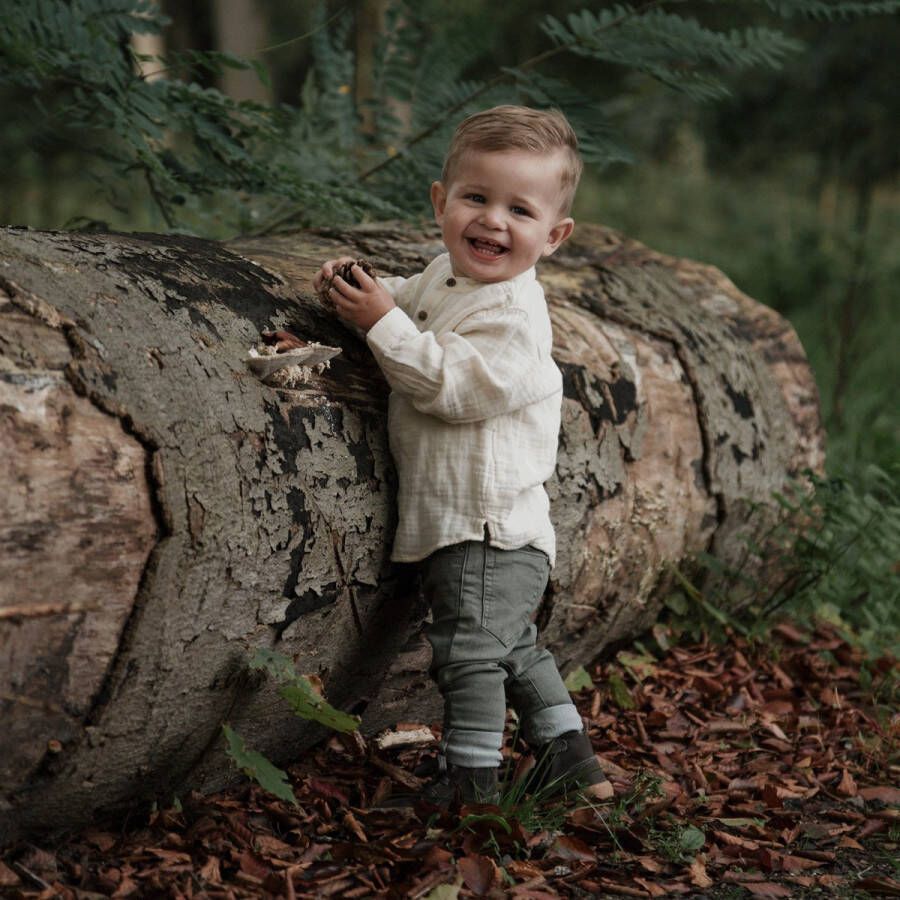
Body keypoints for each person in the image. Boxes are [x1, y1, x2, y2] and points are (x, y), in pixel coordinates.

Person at [314, 105, 608, 806]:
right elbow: (404, 311)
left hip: (489, 525)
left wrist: (380, 322)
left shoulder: (513, 316)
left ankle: (471, 782)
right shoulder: (446, 276)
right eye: (476, 198)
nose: (493, 221)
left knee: (470, 653)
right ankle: (570, 759)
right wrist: (360, 294)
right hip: (461, 516)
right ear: (442, 202)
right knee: (510, 646)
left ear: (554, 234)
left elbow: (446, 385)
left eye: (519, 209)